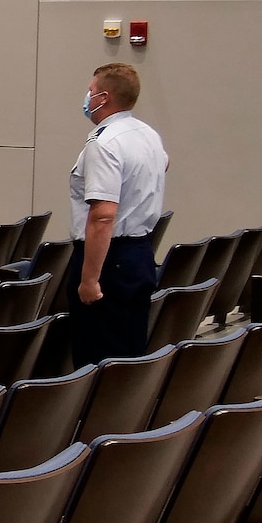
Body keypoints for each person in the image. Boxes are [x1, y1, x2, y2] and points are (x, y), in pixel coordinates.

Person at [66, 63, 168, 365]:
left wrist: (90, 279)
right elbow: (164, 163)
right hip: (140, 254)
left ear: (104, 97)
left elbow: (102, 216)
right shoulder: (148, 134)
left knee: (98, 358)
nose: (88, 96)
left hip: (108, 260)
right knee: (131, 352)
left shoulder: (104, 142)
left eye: (91, 90)